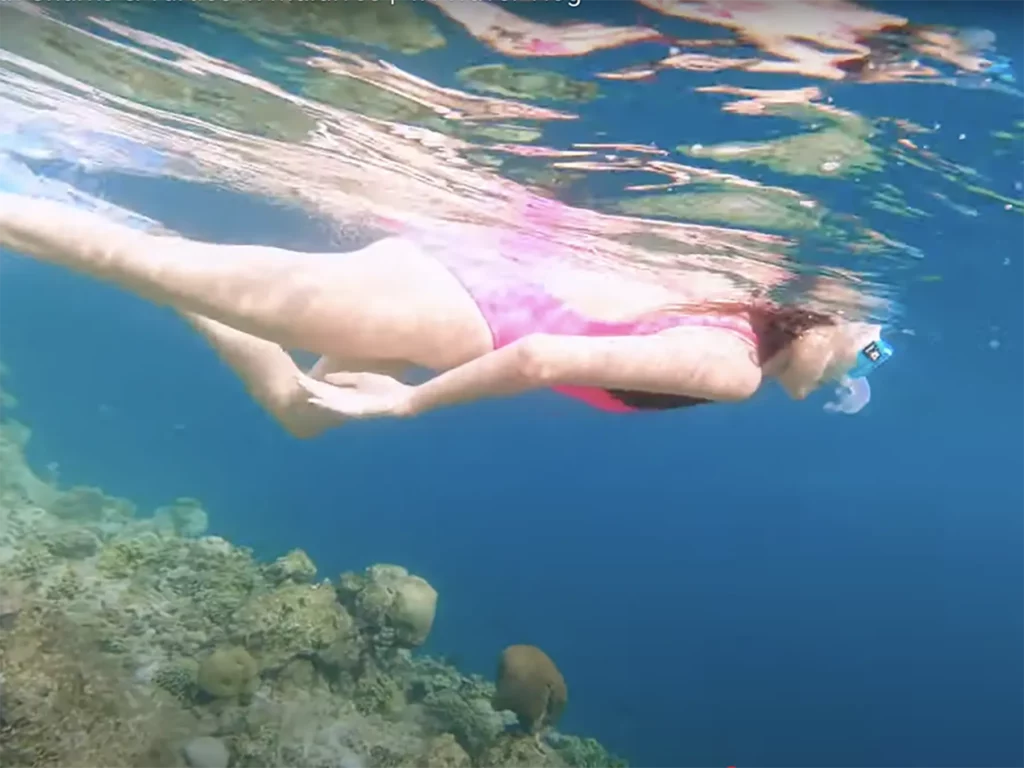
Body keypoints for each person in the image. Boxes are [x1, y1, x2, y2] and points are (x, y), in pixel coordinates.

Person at [0, 191, 889, 437]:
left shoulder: (727, 299)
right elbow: (541, 356)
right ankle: (145, 256)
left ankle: (178, 276)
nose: (858, 370)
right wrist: (411, 404)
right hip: (420, 314)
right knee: (122, 260)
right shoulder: (733, 369)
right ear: (822, 319)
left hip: (439, 285)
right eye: (863, 351)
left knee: (303, 415)